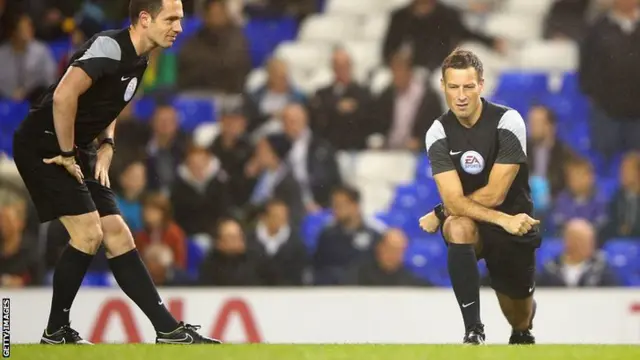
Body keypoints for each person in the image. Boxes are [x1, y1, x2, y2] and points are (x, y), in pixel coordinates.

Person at [11, 0, 220, 345]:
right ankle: (56, 331)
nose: (179, 28)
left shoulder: (141, 57)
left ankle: (167, 330)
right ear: (144, 18)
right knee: (89, 234)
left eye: (180, 20)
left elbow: (110, 103)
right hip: (44, 147)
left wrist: (107, 144)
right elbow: (64, 96)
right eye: (171, 19)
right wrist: (65, 154)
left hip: (78, 148)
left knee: (119, 234)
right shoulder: (109, 46)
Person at [419, 49, 540, 345]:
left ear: (481, 85)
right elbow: (453, 200)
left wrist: (441, 212)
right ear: (443, 86)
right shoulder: (438, 132)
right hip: (495, 219)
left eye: (468, 87)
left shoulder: (508, 121)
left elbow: (496, 193)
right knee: (457, 226)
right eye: (453, 87)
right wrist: (451, 211)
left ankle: (523, 318)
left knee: (519, 320)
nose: (461, 95)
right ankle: (474, 330)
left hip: (516, 219)